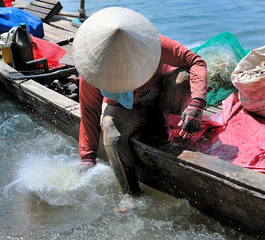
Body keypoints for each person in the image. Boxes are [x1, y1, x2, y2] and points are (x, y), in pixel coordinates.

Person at [73, 7, 207, 198]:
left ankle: (166, 125)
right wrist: (87, 158)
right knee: (110, 127)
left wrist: (197, 103)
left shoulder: (154, 44)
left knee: (184, 77)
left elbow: (196, 61)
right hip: (128, 112)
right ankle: (131, 193)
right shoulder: (92, 72)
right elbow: (89, 113)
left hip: (162, 101)